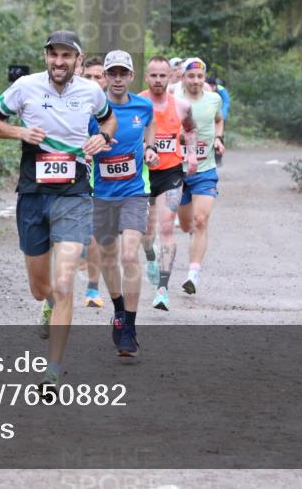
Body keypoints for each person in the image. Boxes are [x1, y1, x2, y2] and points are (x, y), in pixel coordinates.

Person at [0, 30, 117, 390]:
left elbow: (108, 119)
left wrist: (102, 137)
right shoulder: (25, 87)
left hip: (74, 194)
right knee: (41, 287)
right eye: (53, 55)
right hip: (33, 195)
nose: (59, 62)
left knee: (64, 281)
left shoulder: (90, 91)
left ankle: (52, 372)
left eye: (66, 56)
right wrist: (19, 133)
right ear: (46, 57)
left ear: (78, 59)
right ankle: (47, 304)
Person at [89, 50, 159, 357]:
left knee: (129, 256)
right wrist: (91, 148)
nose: (117, 79)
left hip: (134, 192)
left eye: (123, 73)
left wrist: (151, 147)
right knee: (108, 257)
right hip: (101, 195)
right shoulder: (92, 110)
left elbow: (151, 124)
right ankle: (118, 309)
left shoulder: (143, 106)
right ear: (105, 76)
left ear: (131, 76)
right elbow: (77, 142)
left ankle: (129, 326)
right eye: (112, 73)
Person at [139, 56, 197, 311]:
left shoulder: (181, 106)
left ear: (170, 77)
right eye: (153, 75)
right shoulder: (136, 103)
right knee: (145, 233)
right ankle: (150, 255)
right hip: (142, 174)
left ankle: (162, 289)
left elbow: (191, 129)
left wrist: (191, 154)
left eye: (163, 75)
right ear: (146, 77)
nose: (158, 80)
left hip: (170, 173)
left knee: (166, 227)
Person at [173, 58, 224, 295]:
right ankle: (193, 233)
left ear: (204, 79)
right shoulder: (173, 97)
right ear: (183, 77)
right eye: (191, 76)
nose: (196, 81)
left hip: (205, 170)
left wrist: (218, 138)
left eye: (200, 77)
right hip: (178, 170)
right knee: (186, 225)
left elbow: (219, 120)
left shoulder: (214, 99)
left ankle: (193, 274)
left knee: (201, 220)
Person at [78, 55, 106, 308]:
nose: (93, 81)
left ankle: (92, 288)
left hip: (101, 180)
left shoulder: (112, 111)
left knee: (95, 234)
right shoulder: (71, 104)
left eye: (98, 76)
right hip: (70, 177)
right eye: (88, 76)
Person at [206, 74, 231, 167]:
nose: (211, 88)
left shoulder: (221, 90)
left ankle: (218, 158)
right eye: (210, 86)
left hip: (219, 116)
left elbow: (226, 102)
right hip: (208, 116)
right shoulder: (203, 88)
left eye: (213, 86)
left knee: (219, 135)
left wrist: (222, 115)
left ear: (216, 86)